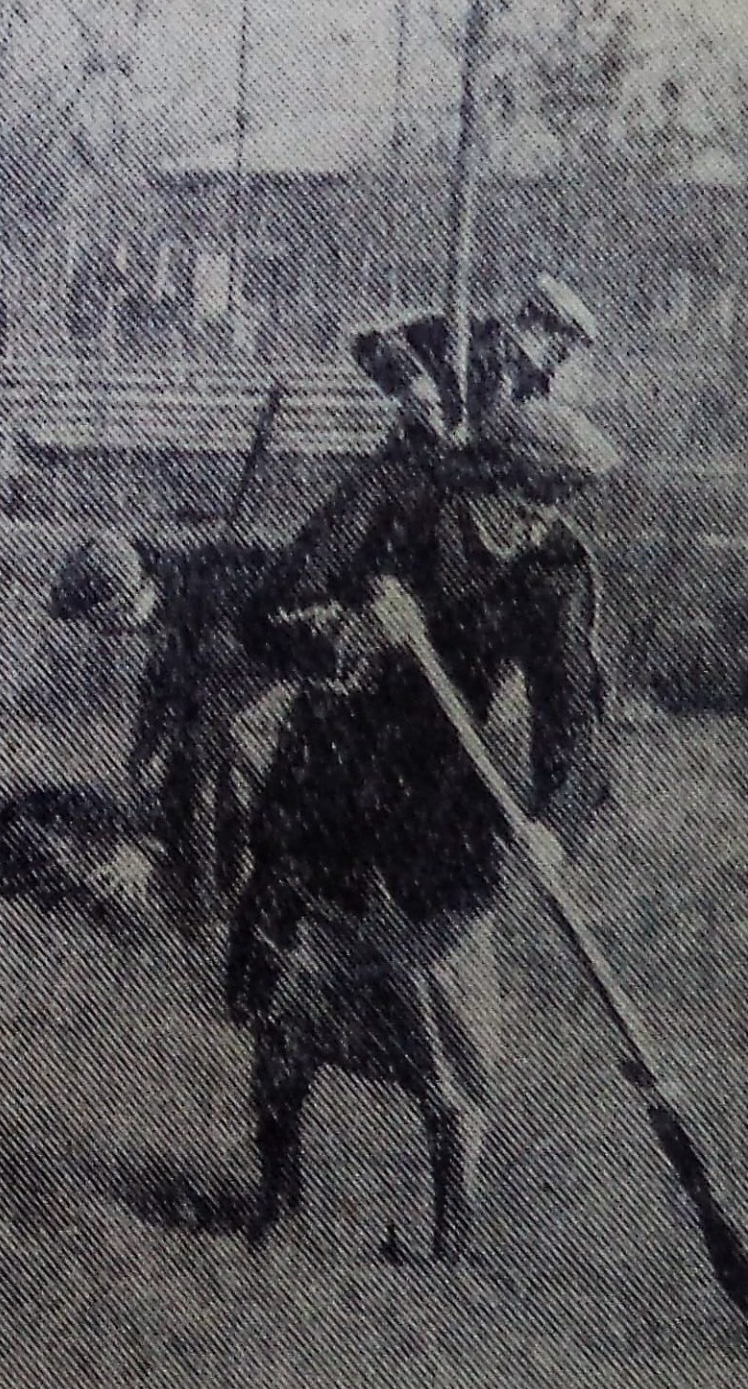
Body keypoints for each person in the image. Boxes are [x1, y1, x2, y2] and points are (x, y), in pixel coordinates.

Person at [223, 396, 619, 1258]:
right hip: (335, 783)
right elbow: (265, 615)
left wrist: (554, 821)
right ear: (486, 474)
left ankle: (452, 1234)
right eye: (525, 497)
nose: (534, 521)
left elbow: (576, 718)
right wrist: (355, 630)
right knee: (292, 998)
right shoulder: (393, 497)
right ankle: (276, 1191)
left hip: (445, 810)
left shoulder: (555, 565)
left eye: (554, 503)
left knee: (457, 1025)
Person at [46, 528, 285, 934]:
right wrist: (144, 751)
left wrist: (149, 847)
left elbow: (204, 725)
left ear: (124, 603)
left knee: (209, 757)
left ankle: (214, 906)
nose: (108, 635)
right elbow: (157, 700)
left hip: (305, 685)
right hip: (242, 692)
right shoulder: (168, 611)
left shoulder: (213, 608)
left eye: (104, 623)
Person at [346, 274, 601, 447]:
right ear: (533, 322)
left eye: (565, 354)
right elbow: (369, 343)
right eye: (559, 347)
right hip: (418, 466)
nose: (558, 361)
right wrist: (415, 384)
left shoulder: (533, 384)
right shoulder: (465, 336)